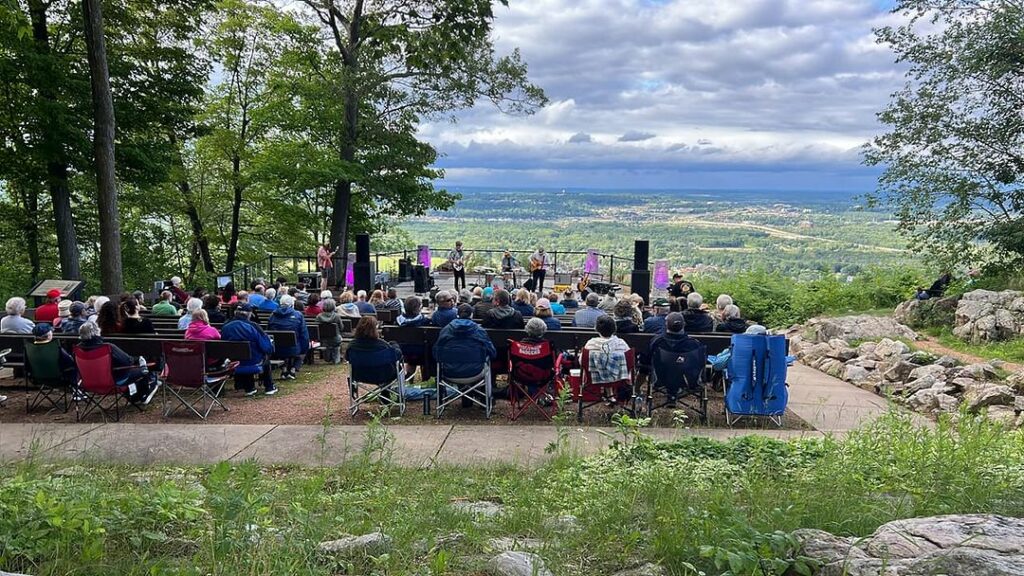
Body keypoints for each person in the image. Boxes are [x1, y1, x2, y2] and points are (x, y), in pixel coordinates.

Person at [77, 321, 159, 405]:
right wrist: (138, 359)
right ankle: (142, 396)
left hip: (88, 383)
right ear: (97, 332)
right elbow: (128, 361)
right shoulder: (107, 347)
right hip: (113, 381)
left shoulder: (78, 350)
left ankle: (133, 395)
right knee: (143, 371)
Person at [434, 303, 497, 397]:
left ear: (457, 315)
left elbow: (436, 352)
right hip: (476, 371)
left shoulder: (446, 330)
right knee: (486, 361)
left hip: (450, 371)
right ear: (471, 315)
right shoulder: (479, 331)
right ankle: (485, 399)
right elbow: (492, 352)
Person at [649, 312, 703, 408]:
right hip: (687, 380)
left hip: (661, 379)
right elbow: (700, 364)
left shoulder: (657, 342)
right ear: (684, 325)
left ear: (666, 325)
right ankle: (674, 392)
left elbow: (646, 360)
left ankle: (672, 394)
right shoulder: (694, 344)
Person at [221, 304, 277, 396]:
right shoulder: (253, 326)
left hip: (234, 360)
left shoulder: (226, 326)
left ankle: (249, 387)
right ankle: (269, 387)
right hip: (253, 359)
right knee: (265, 357)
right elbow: (266, 346)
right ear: (249, 314)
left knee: (244, 355)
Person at [583, 315, 631, 402]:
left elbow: (582, 361)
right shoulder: (621, 343)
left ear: (596, 328)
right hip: (619, 378)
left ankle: (608, 395)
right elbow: (629, 362)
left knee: (602, 365)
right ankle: (610, 395)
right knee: (610, 364)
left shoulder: (591, 344)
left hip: (594, 378)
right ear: (614, 328)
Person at [346, 316, 403, 385]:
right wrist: (395, 345)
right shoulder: (382, 345)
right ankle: (385, 390)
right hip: (384, 375)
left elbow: (347, 358)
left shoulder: (352, 346)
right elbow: (397, 355)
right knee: (391, 365)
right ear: (375, 329)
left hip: (360, 375)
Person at [267, 295, 309, 380]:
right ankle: (293, 370)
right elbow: (304, 335)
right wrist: (305, 348)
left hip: (277, 348)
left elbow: (269, 331)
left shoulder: (273, 315)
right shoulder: (298, 315)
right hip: (294, 348)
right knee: (301, 352)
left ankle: (284, 369)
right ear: (292, 304)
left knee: (284, 348)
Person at [316, 298, 345, 364]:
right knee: (336, 344)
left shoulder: (319, 316)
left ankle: (329, 357)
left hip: (323, 340)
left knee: (329, 346)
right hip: (335, 339)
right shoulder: (336, 316)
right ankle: (336, 358)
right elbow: (341, 327)